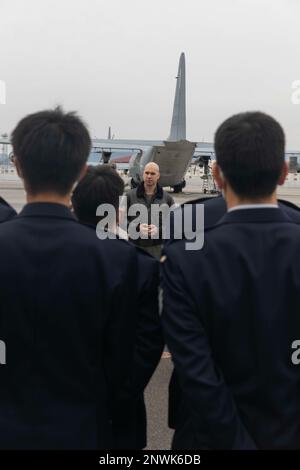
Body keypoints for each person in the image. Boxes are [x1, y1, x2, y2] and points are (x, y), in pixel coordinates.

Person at [0, 107, 138, 449]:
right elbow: (125, 364)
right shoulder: (119, 259)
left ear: (17, 166)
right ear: (81, 170)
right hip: (83, 430)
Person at [162, 111, 300, 449]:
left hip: (209, 438)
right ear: (284, 174)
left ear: (217, 175)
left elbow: (197, 372)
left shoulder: (185, 260)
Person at [71, 164, 164, 449]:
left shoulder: (47, 255)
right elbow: (149, 344)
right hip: (119, 410)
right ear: (114, 209)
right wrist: (123, 393)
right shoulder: (140, 266)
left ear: (74, 203)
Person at [125, 162, 175, 259]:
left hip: (157, 248)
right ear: (143, 174)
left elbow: (174, 223)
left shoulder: (167, 199)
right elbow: (121, 220)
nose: (149, 176)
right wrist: (136, 228)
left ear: (158, 175)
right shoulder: (129, 196)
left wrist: (159, 230)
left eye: (152, 174)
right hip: (135, 247)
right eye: (147, 173)